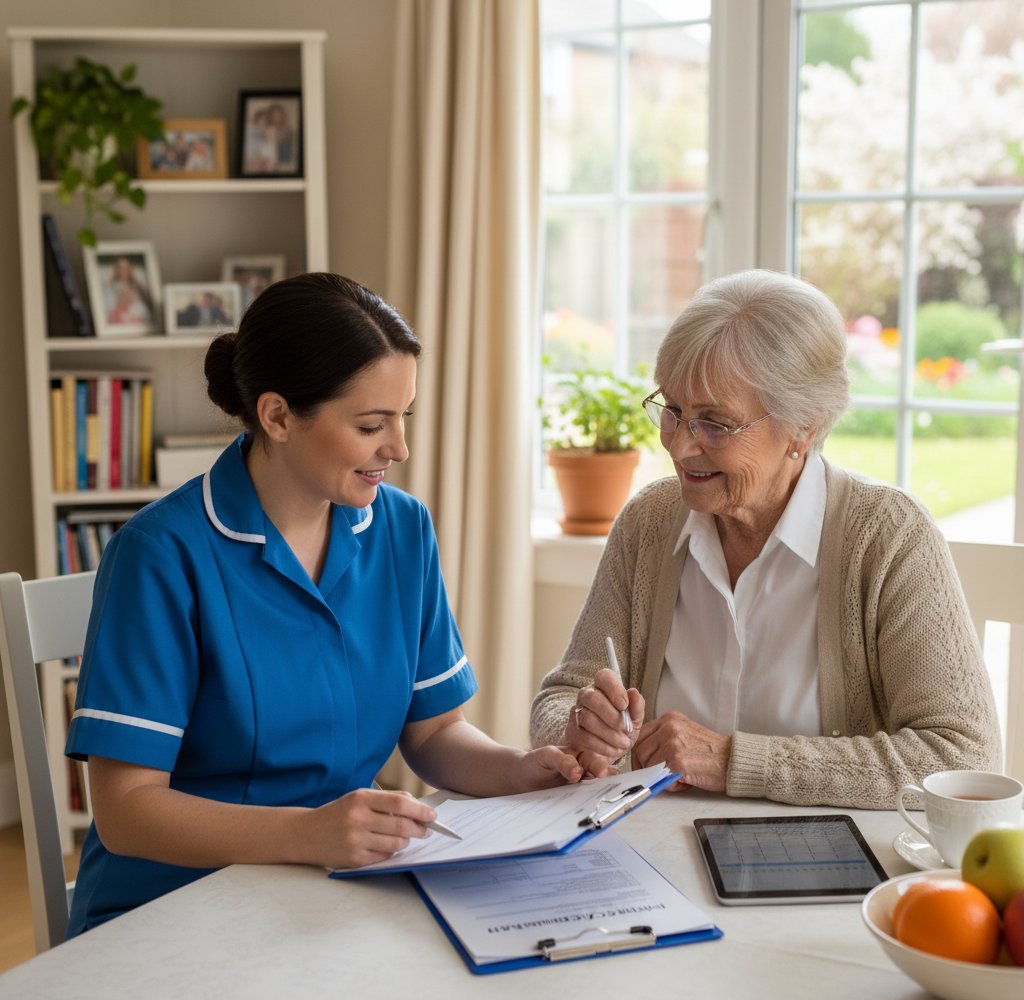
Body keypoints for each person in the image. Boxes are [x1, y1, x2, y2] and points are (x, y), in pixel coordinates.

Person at [65, 272, 582, 936]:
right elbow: (127, 809)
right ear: (278, 416)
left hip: (324, 896)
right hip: (167, 915)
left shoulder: (402, 529)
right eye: (371, 424)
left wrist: (516, 770)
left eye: (404, 417)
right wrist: (308, 834)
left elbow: (432, 733)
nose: (398, 447)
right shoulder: (160, 554)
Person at [530, 269, 1001, 810]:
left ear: (804, 427)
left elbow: (963, 758)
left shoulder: (890, 537)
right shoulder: (649, 522)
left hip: (825, 873)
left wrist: (734, 761)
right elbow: (562, 694)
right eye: (674, 412)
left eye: (715, 423)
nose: (681, 447)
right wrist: (579, 725)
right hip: (654, 859)